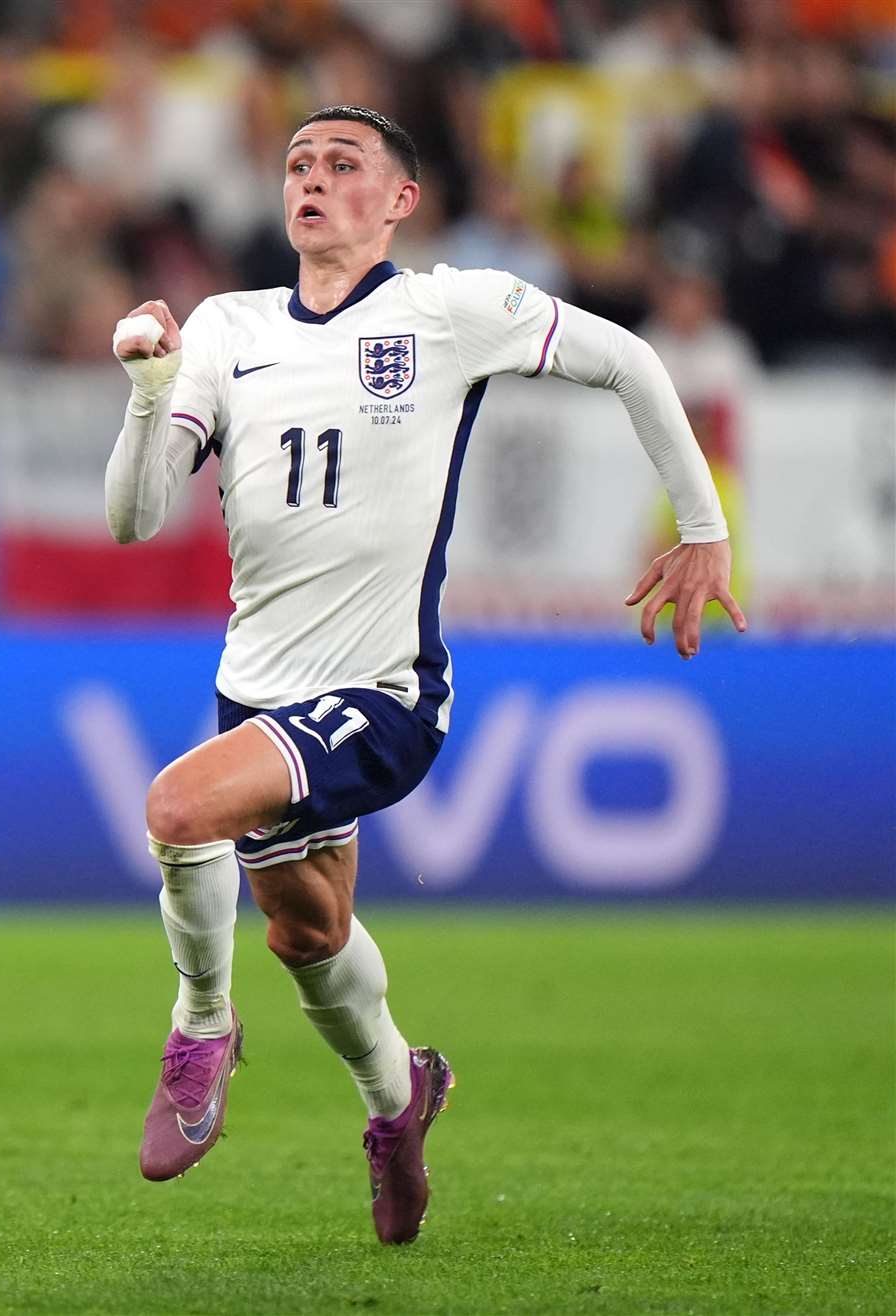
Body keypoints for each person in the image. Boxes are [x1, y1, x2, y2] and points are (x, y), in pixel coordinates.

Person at [105, 105, 746, 1246]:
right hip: (256, 689)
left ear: (399, 199)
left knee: (175, 806)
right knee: (307, 935)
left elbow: (633, 359)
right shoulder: (226, 324)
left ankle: (201, 1025)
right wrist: (151, 386)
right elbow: (135, 517)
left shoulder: (447, 310)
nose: (312, 179)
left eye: (343, 164)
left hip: (387, 693)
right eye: (298, 162)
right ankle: (400, 1100)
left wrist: (703, 527)